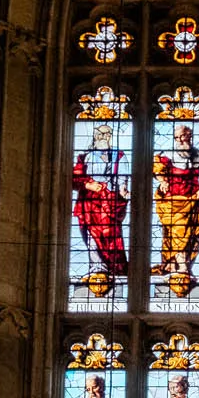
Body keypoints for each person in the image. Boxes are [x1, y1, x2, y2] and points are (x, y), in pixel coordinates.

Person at [71, 114, 128, 295]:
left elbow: (124, 176)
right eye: (101, 135)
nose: (104, 138)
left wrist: (123, 189)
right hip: (90, 202)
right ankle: (97, 267)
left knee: (110, 234)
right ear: (95, 138)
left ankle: (110, 268)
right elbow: (76, 178)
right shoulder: (85, 157)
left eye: (107, 135)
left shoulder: (118, 155)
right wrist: (88, 184)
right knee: (91, 236)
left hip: (109, 201)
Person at [153, 118, 199, 290]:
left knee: (191, 235)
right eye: (177, 138)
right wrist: (163, 180)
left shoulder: (197, 155)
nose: (180, 141)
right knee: (176, 233)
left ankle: (183, 265)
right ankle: (178, 265)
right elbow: (158, 170)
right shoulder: (168, 154)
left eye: (183, 137)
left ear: (189, 137)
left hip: (192, 199)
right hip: (173, 200)